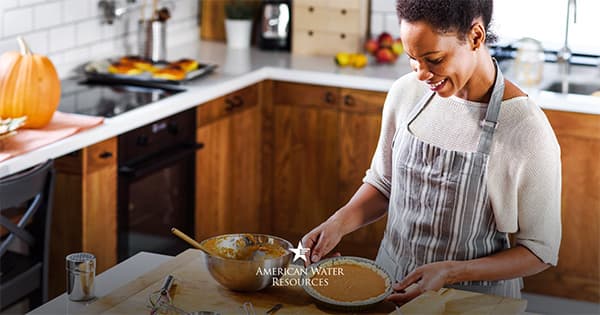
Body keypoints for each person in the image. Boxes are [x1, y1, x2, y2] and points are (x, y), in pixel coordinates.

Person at [301, 0, 561, 305]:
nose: (422, 74)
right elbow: (385, 184)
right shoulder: (406, 93)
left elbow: (540, 250)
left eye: (434, 59)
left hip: (472, 303)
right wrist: (338, 223)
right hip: (389, 290)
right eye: (412, 59)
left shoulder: (525, 128)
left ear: (475, 37)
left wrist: (451, 272)